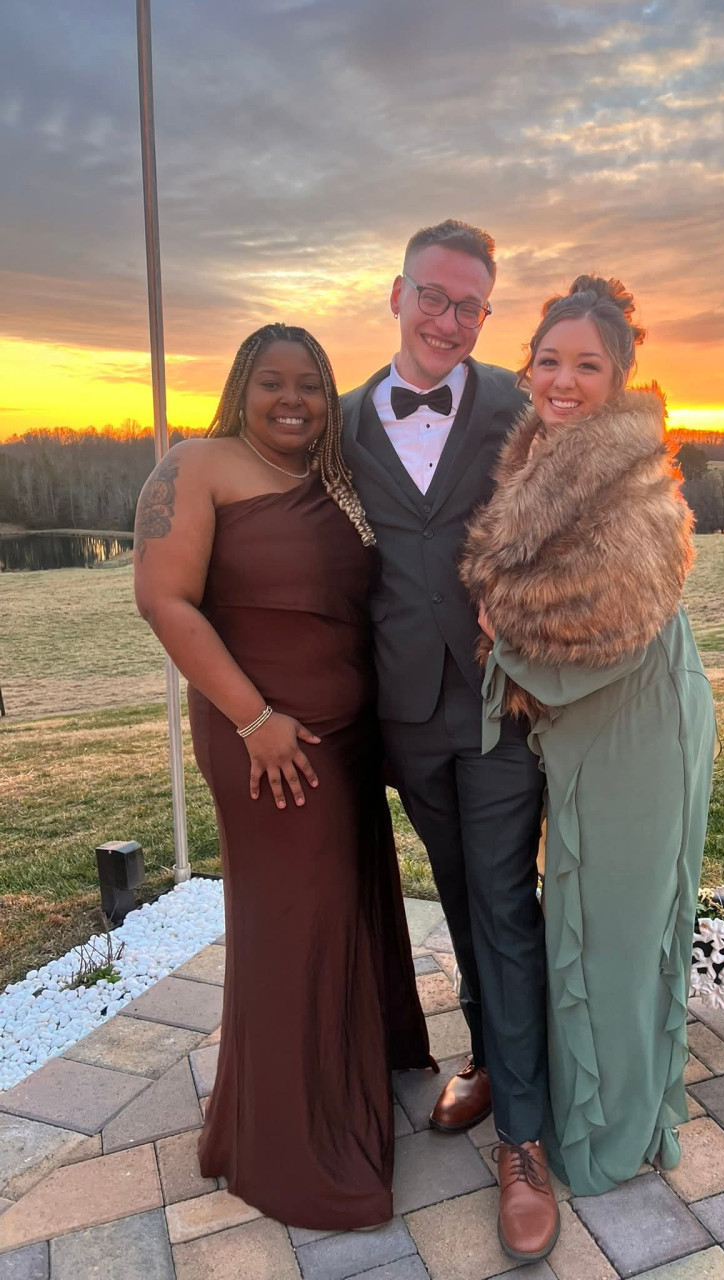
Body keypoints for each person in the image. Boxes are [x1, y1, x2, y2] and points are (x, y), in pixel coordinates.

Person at [133, 323, 432, 1230]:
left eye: (310, 384)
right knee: (295, 922)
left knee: (342, 907)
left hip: (345, 738)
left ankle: (351, 1069)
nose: (292, 399)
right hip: (262, 736)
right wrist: (255, 720)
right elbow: (163, 600)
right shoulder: (196, 466)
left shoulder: (334, 480)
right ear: (242, 386)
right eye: (273, 381)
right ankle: (290, 1148)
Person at [461, 277, 716, 1197]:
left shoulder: (635, 482)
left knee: (617, 934)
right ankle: (581, 1111)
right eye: (549, 361)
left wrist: (502, 625)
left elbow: (609, 629)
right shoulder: (542, 455)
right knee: (578, 916)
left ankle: (610, 1136)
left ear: (620, 378)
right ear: (528, 367)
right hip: (583, 726)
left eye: (587, 366)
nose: (562, 382)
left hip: (637, 721)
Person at [341, 221, 560, 1262]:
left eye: (470, 305)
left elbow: (571, 521)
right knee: (461, 892)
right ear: (396, 295)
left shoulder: (522, 407)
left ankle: (524, 1138)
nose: (448, 319)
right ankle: (491, 1054)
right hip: (404, 712)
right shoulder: (340, 422)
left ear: (486, 315)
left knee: (505, 896)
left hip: (498, 703)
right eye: (433, 296)